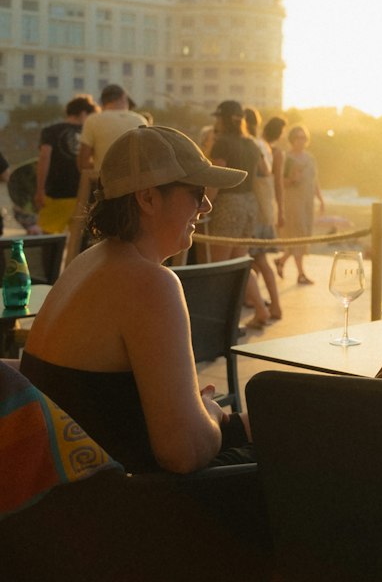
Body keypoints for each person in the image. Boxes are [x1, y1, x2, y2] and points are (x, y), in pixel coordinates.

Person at [21, 126, 252, 473]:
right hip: (133, 503)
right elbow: (183, 453)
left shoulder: (89, 262)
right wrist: (213, 413)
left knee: (286, 418)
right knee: (302, 447)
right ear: (147, 198)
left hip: (73, 489)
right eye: (196, 191)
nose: (206, 205)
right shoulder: (150, 283)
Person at [204, 100, 272, 327]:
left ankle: (217, 321)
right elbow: (265, 170)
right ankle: (261, 310)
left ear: (222, 119)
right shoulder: (251, 143)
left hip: (229, 204)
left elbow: (217, 178)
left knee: (219, 266)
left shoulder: (222, 143)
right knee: (241, 262)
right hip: (249, 204)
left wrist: (202, 205)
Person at [34, 94, 96, 233]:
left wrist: (39, 190)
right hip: (84, 196)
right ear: (83, 113)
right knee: (81, 247)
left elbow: (44, 158)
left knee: (47, 242)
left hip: (57, 195)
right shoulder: (90, 133)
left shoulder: (51, 131)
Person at [244, 106, 282, 323]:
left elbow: (262, 174)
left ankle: (268, 307)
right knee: (258, 261)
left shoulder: (252, 144)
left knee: (256, 260)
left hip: (254, 212)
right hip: (264, 209)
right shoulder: (262, 144)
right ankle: (267, 304)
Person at [276, 124, 324, 285]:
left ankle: (281, 260)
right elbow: (280, 182)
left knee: (303, 236)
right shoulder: (287, 158)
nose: (301, 141)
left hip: (307, 202)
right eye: (298, 137)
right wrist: (291, 180)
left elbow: (314, 180)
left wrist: (321, 199)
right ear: (292, 140)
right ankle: (301, 273)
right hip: (293, 201)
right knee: (298, 235)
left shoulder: (310, 158)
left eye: (303, 137)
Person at [78, 83, 147, 174]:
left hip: (105, 183)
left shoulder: (93, 120)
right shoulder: (140, 120)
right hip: (136, 183)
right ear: (123, 97)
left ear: (103, 102)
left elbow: (84, 162)